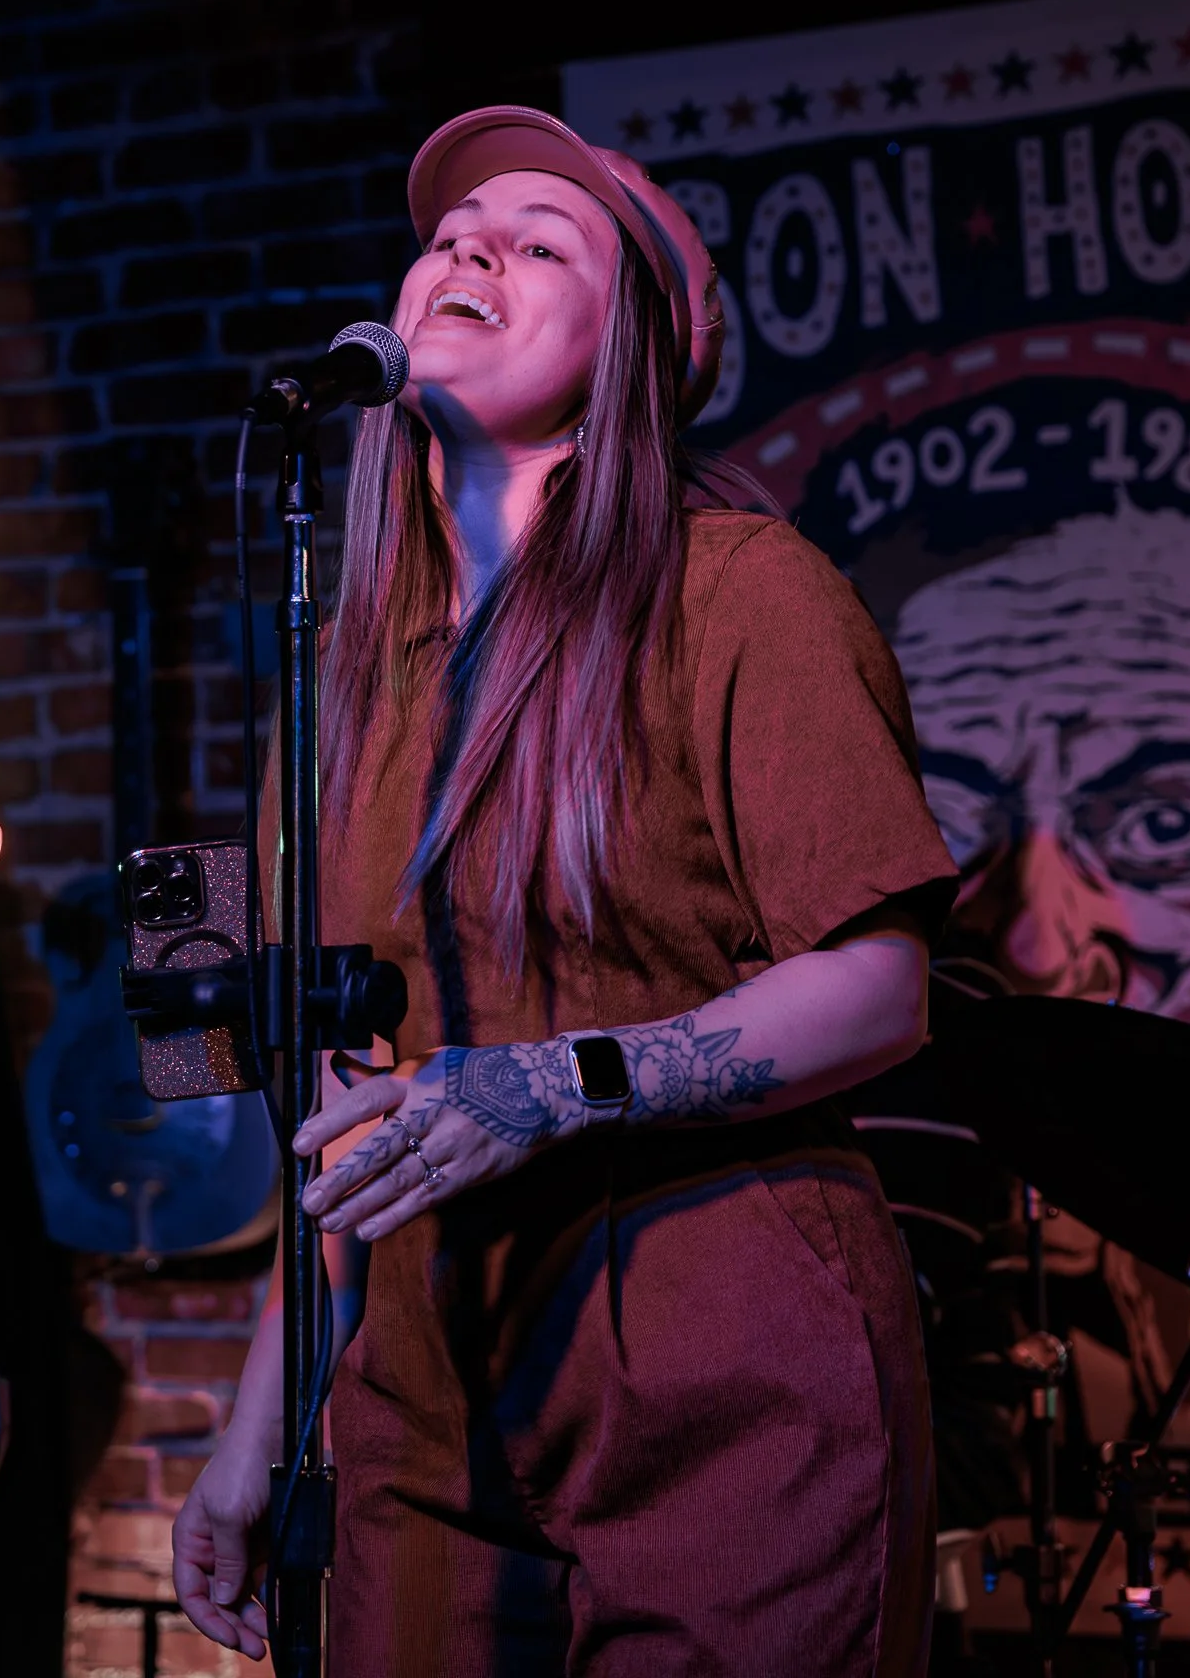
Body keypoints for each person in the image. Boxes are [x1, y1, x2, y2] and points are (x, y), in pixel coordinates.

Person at [172, 107, 959, 1674]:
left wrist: (552, 1085)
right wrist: (260, 1429)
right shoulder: (346, 683)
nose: (471, 250)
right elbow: (344, 1112)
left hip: (719, 1359)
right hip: (425, 1392)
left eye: (541, 244)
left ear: (627, 365)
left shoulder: (740, 595)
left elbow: (881, 988)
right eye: (452, 235)